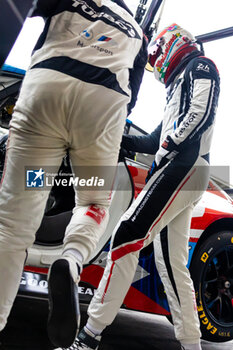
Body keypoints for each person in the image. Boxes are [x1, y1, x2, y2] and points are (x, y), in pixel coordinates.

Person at [59, 24, 220, 350]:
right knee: (172, 266)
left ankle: (88, 336)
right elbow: (150, 140)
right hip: (183, 168)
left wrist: (172, 143)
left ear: (173, 45)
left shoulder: (200, 66)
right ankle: (192, 345)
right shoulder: (177, 85)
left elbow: (199, 113)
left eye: (157, 57)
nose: (157, 65)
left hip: (182, 165)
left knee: (127, 232)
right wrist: (117, 141)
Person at [0, 0, 147, 348]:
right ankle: (72, 258)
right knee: (94, 201)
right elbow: (133, 98)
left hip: (47, 87)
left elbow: (16, 11)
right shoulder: (136, 30)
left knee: (12, 227)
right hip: (103, 104)